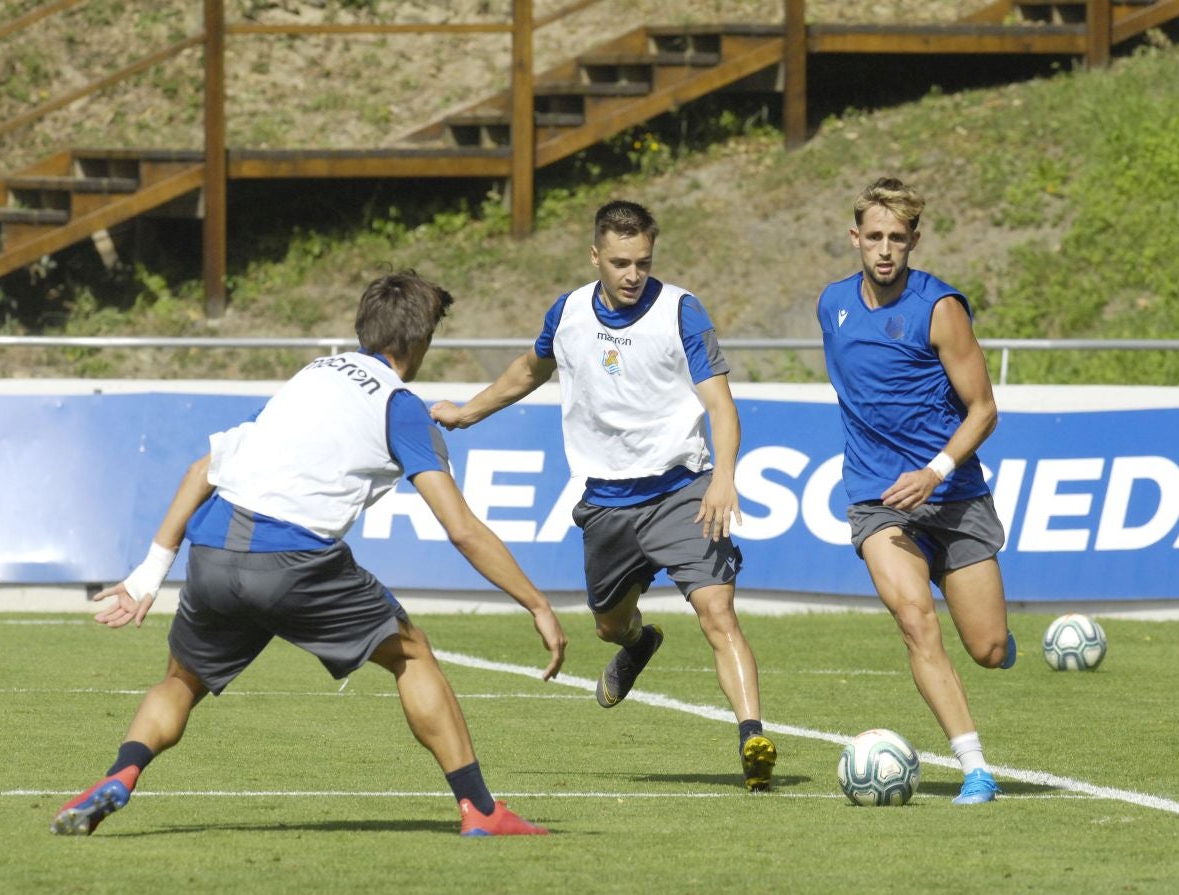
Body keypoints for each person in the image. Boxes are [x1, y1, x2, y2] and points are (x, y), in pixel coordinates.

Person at [52, 270, 568, 839]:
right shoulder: (400, 405)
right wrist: (536, 603)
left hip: (216, 550)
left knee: (181, 681)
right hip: (292, 560)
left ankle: (121, 774)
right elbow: (462, 529)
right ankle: (481, 810)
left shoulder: (312, 374)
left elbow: (203, 469)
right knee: (412, 654)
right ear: (419, 343)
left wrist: (148, 575)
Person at [429, 200, 776, 791]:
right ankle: (639, 644)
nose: (632, 275)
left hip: (681, 491)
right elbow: (529, 370)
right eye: (619, 262)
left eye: (642, 261)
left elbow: (720, 402)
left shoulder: (681, 312)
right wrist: (467, 413)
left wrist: (723, 475)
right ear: (595, 256)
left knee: (718, 614)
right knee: (610, 626)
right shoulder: (566, 314)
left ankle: (753, 738)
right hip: (607, 503)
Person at [816, 176, 1015, 805]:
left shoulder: (940, 308)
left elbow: (983, 409)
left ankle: (999, 643)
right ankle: (975, 766)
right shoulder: (833, 306)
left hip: (953, 494)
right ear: (854, 238)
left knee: (985, 648)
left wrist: (934, 469)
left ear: (913, 242)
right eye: (873, 236)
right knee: (915, 620)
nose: (884, 250)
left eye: (896, 238)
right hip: (878, 499)